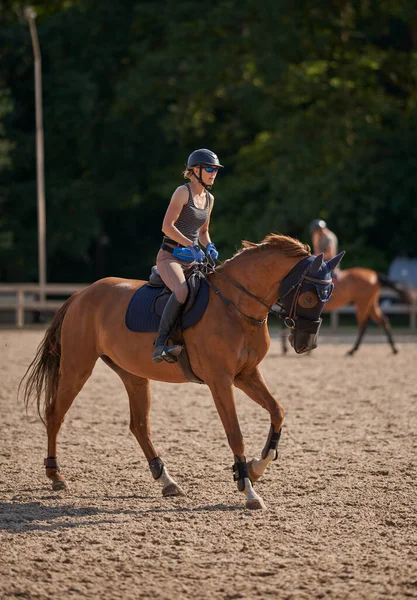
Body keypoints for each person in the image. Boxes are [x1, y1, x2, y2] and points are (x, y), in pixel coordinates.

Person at [152, 148, 223, 363]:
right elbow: (167, 226)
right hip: (170, 256)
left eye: (216, 170)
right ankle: (160, 344)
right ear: (195, 170)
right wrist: (190, 244)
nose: (213, 173)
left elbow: (203, 232)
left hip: (192, 258)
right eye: (210, 169)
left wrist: (208, 245)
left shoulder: (210, 199)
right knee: (182, 291)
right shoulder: (182, 192)